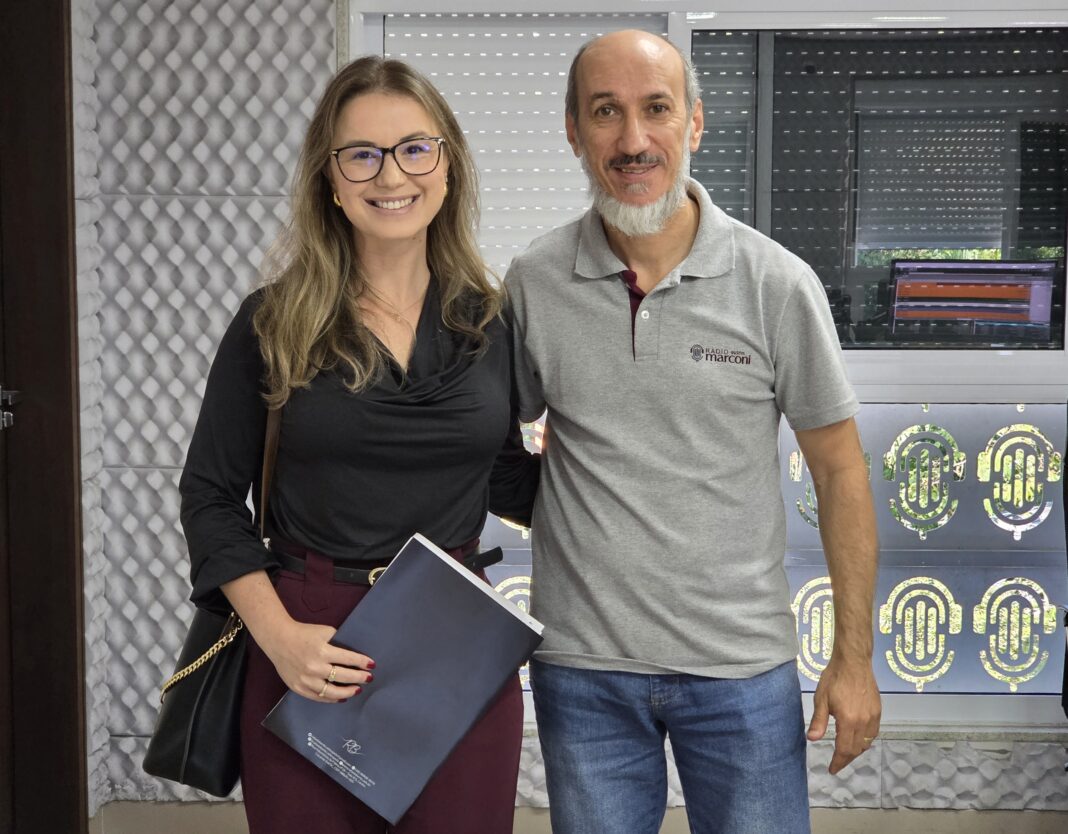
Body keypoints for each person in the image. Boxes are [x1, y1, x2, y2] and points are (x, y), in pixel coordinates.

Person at [504, 30, 881, 834]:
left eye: (657, 109)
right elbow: (493, 435)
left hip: (740, 668)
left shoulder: (776, 284)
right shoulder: (534, 281)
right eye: (605, 112)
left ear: (696, 124)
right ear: (573, 130)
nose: (632, 140)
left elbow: (841, 473)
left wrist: (853, 658)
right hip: (583, 667)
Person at [179, 56, 539, 834]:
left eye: (414, 148)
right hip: (309, 638)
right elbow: (209, 495)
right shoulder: (272, 322)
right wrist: (278, 638)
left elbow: (507, 480)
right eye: (362, 155)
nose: (391, 175)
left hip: (455, 637)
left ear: (447, 165)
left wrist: (631, 466)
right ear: (330, 179)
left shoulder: (490, 322)